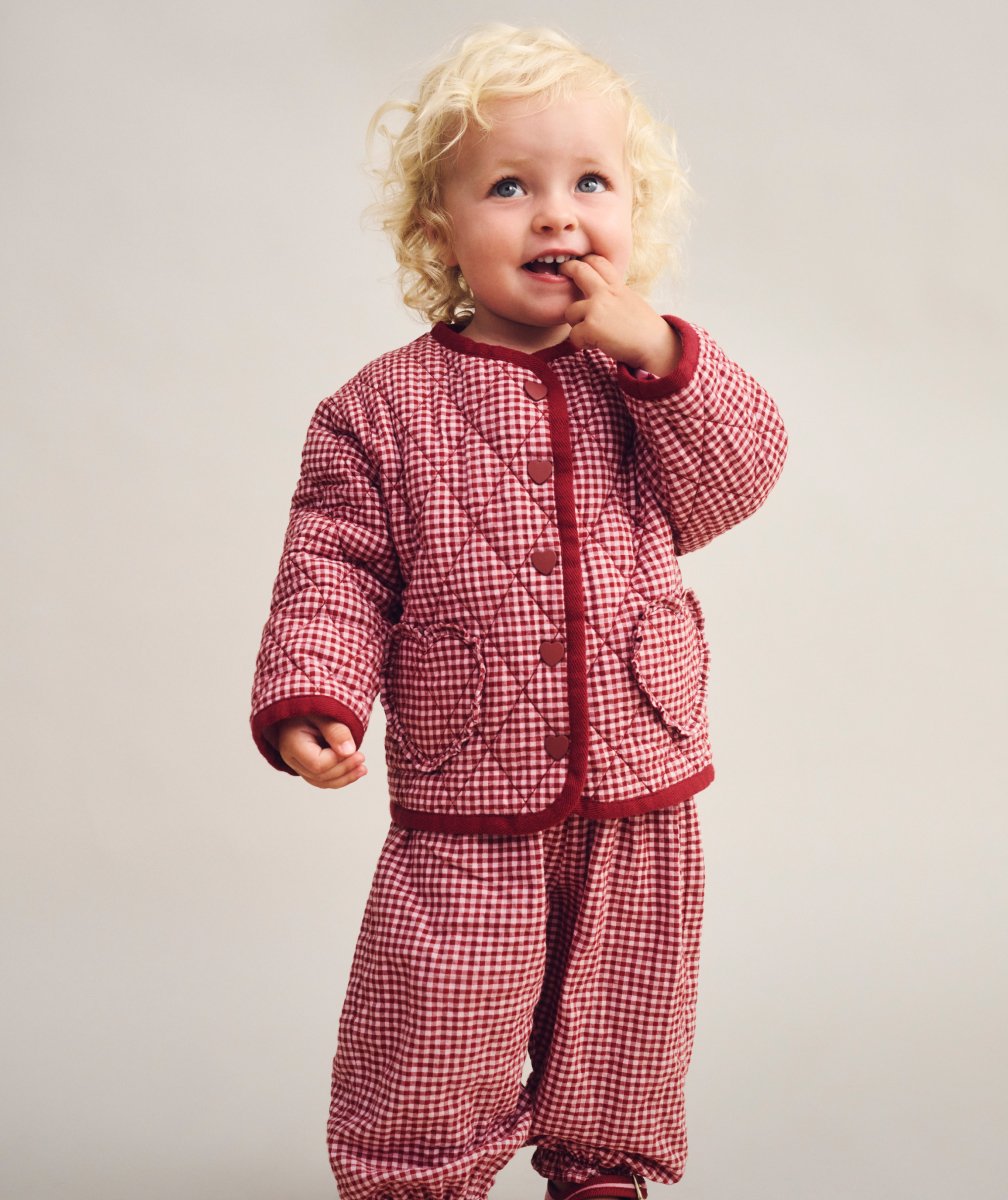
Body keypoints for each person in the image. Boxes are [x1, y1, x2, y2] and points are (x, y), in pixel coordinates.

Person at [249, 23, 788, 1200]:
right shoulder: (377, 410)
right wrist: (314, 696)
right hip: (469, 778)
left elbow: (737, 478)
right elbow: (334, 570)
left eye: (591, 183)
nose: (556, 215)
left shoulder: (646, 381)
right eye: (509, 187)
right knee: (437, 1011)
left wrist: (660, 350)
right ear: (437, 228)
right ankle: (419, 1174)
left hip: (639, 767)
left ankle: (601, 1169)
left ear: (635, 212)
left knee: (626, 1007)